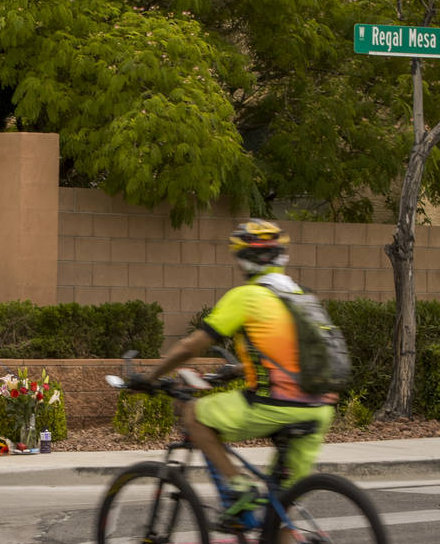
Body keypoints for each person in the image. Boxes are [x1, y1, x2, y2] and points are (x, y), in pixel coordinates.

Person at [131, 218, 337, 517]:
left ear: (242, 259)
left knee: (193, 415)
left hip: (277, 403)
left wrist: (149, 377)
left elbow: (191, 346)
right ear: (281, 256)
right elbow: (296, 356)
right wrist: (240, 369)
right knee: (282, 508)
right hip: (320, 408)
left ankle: (239, 484)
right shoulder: (301, 296)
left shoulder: (247, 296)